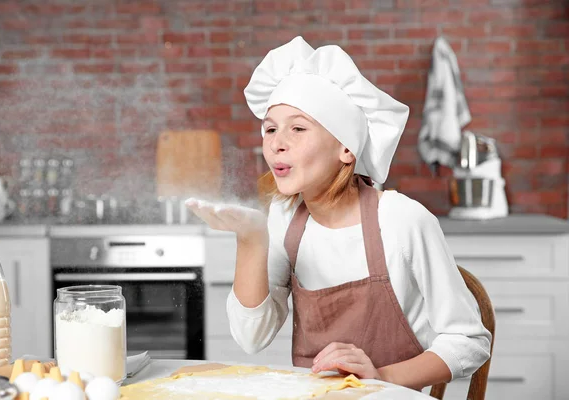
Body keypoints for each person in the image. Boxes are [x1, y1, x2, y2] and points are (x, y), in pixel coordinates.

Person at [185, 36, 491, 391]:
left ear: (346, 147)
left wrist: (381, 377)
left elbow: (469, 341)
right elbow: (252, 337)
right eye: (270, 128)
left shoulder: (402, 221)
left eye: (297, 128)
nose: (276, 142)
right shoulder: (285, 220)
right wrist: (251, 239)